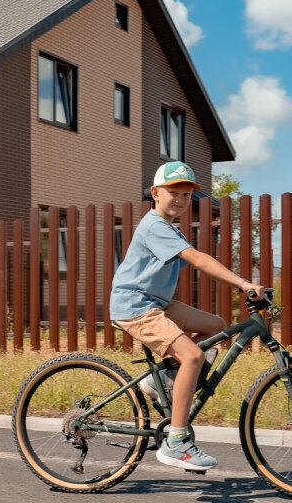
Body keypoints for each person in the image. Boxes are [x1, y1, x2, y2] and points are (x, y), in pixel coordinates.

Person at [110, 161, 265, 471]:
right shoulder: (154, 224)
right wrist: (243, 283)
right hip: (135, 305)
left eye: (185, 195)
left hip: (157, 303)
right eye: (173, 192)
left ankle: (162, 382)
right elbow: (196, 258)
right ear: (155, 193)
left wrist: (237, 283)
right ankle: (177, 442)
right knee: (193, 356)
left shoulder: (169, 229)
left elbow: (194, 262)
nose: (180, 200)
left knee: (217, 326)